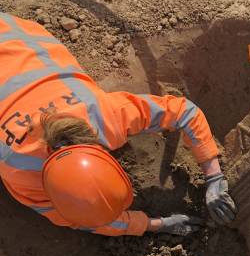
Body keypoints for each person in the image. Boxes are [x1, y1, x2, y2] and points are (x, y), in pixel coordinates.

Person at [0, 13, 237, 237]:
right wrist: (154, 225)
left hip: (14, 34)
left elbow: (184, 111)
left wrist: (214, 177)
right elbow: (82, 220)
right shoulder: (17, 171)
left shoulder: (106, 115)